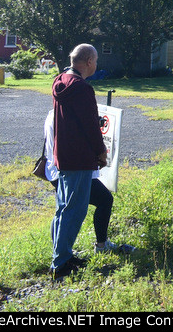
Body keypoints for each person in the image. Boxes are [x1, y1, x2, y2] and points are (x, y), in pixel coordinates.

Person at [50, 44, 108, 280]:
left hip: (63, 155)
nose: (96, 64)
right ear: (87, 61)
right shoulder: (83, 89)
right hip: (80, 157)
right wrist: (101, 151)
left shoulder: (60, 80)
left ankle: (61, 254)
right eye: (95, 60)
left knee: (63, 208)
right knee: (74, 210)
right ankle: (61, 263)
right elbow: (90, 127)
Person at [43, 110, 132, 260]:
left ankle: (59, 251)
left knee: (63, 209)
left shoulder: (54, 113)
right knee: (102, 201)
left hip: (55, 170)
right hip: (73, 171)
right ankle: (98, 247)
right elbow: (79, 142)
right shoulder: (70, 117)